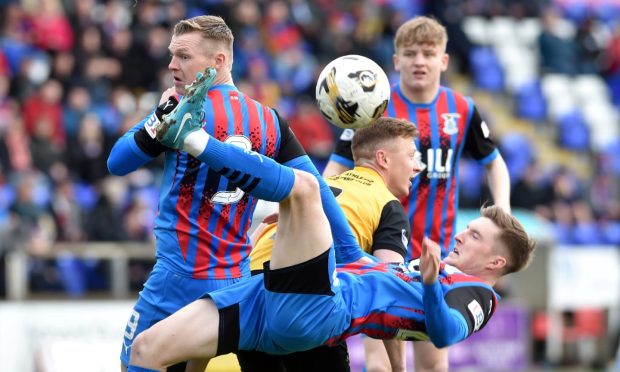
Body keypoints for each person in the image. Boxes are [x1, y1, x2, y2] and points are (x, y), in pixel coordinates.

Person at [122, 99, 535, 371]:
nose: (461, 236)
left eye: (475, 236)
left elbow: (444, 333)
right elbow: (350, 248)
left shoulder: (480, 296)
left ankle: (192, 139)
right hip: (273, 293)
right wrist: (288, 146)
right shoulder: (395, 256)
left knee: (302, 190)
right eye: (468, 228)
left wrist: (428, 283)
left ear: (496, 262)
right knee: (147, 349)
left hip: (320, 310)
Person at [107, 15, 363, 372]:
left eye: (183, 56)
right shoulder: (270, 120)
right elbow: (315, 188)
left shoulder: (181, 115)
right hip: (236, 282)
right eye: (171, 54)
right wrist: (353, 253)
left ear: (219, 61)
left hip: (179, 277)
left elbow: (117, 162)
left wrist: (158, 117)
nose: (171, 64)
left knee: (136, 360)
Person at [322, 16, 512, 371]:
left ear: (443, 60)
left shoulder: (461, 108)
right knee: (380, 364)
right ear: (396, 61)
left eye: (428, 53)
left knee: (431, 363)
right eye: (410, 53)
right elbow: (334, 168)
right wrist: (314, 206)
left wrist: (503, 210)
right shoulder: (375, 106)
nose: (419, 61)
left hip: (438, 252)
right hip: (380, 241)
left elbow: (495, 163)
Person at [237, 117, 422, 372]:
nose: (417, 167)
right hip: (303, 299)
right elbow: (389, 295)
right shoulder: (387, 205)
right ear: (384, 159)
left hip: (248, 297)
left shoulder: (323, 185)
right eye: (411, 155)